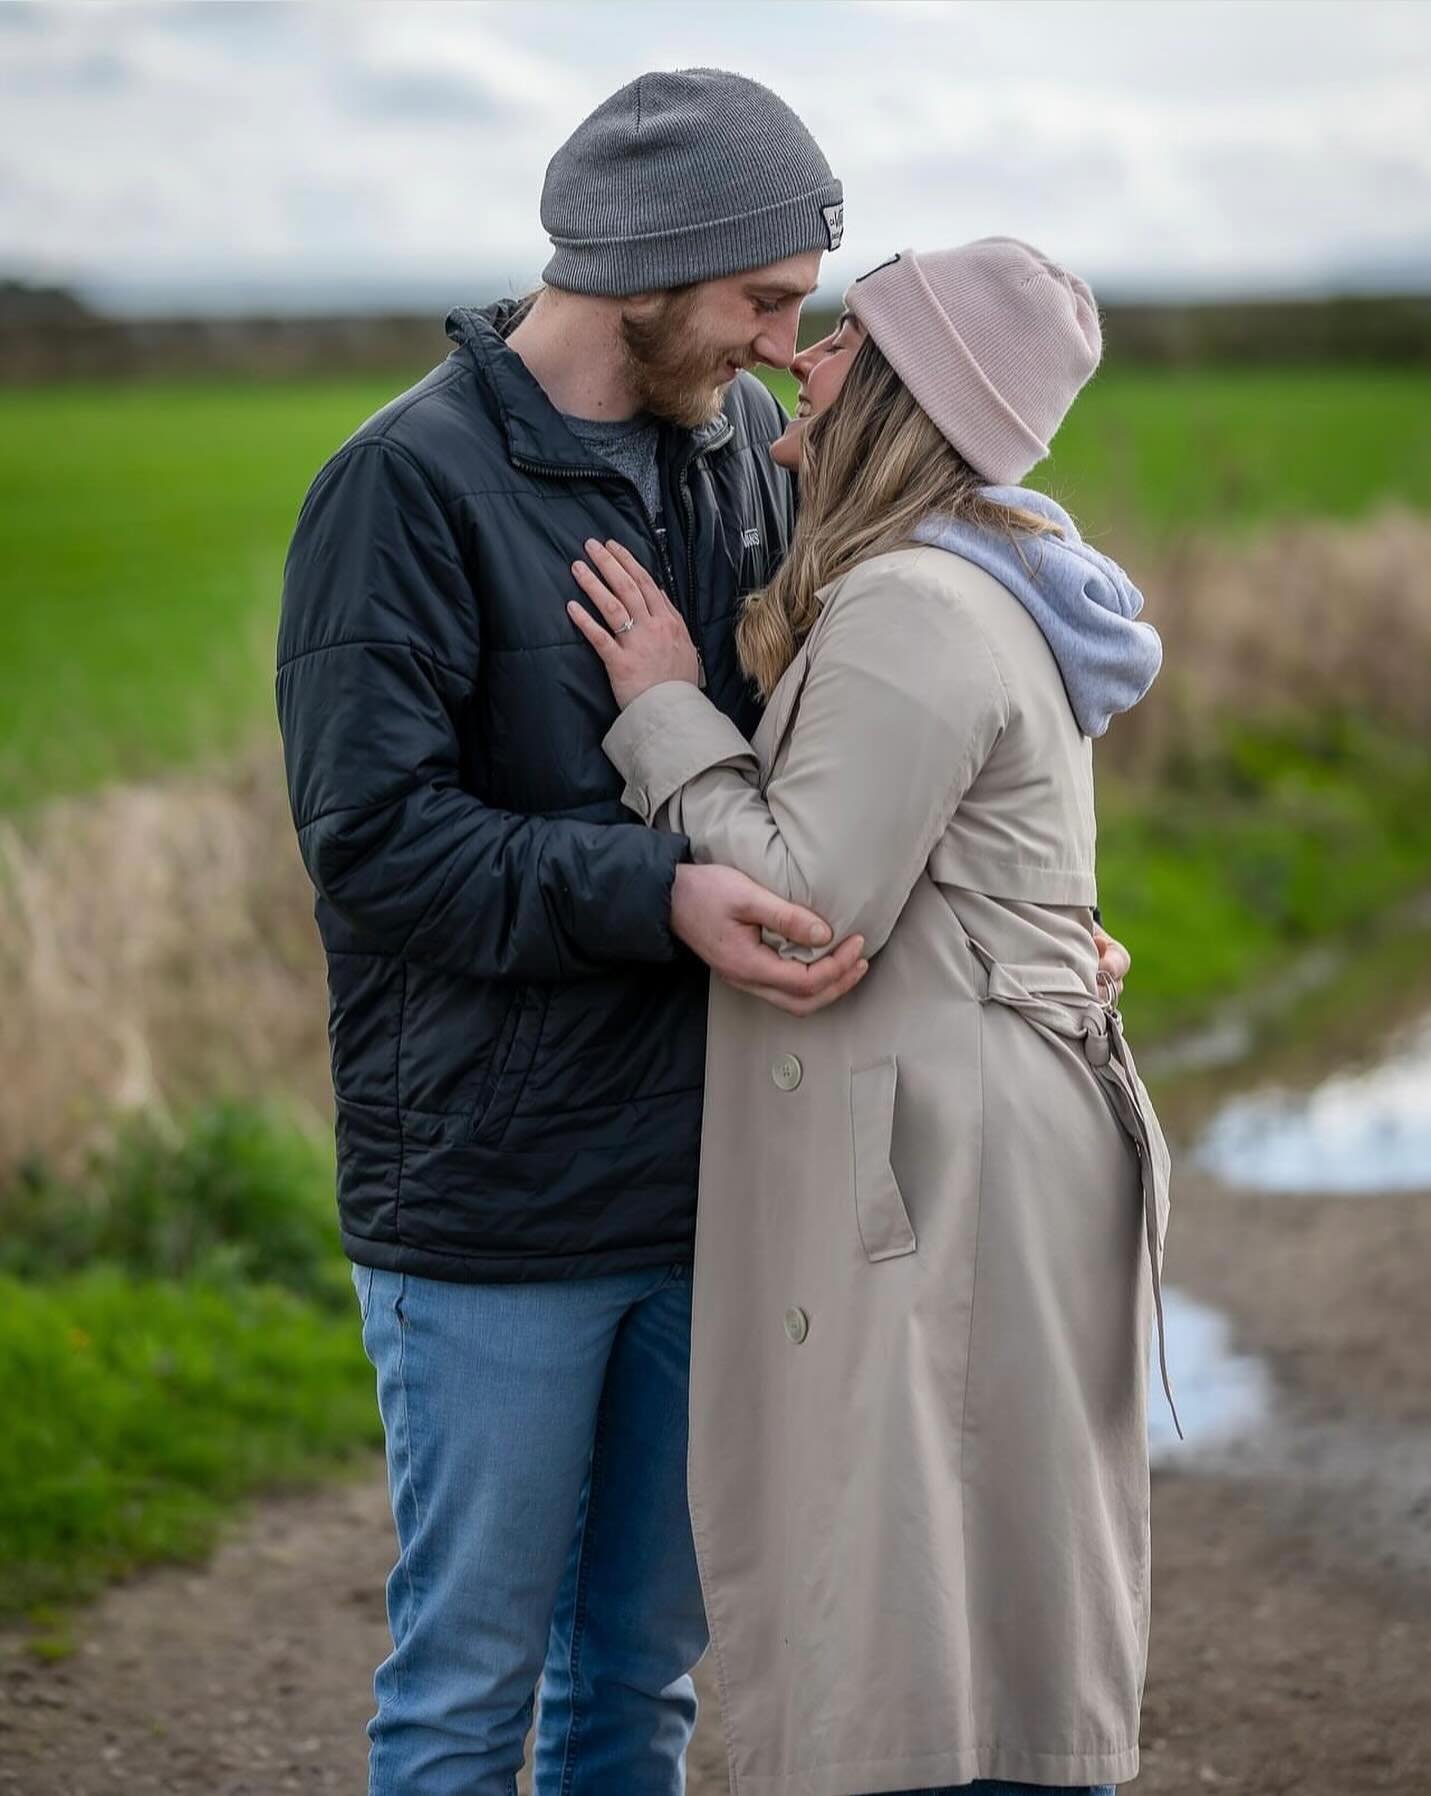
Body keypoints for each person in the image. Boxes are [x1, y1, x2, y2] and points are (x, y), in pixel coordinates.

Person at [278, 57, 1130, 1791]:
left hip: (725, 1182)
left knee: (647, 1687)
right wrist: (657, 894)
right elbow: (373, 845)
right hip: (497, 1190)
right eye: (764, 299)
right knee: (468, 1679)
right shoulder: (404, 487)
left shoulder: (744, 448)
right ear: (647, 265)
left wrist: (1014, 930)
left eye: (802, 310)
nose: (774, 344)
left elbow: (857, 737)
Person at [568, 239, 1168, 1796]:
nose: (800, 360)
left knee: (918, 1579)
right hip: (987, 1116)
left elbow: (806, 899)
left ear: (900, 394)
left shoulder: (912, 601)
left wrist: (661, 706)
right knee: (975, 1566)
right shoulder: (971, 582)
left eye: (839, 341)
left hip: (947, 1149)